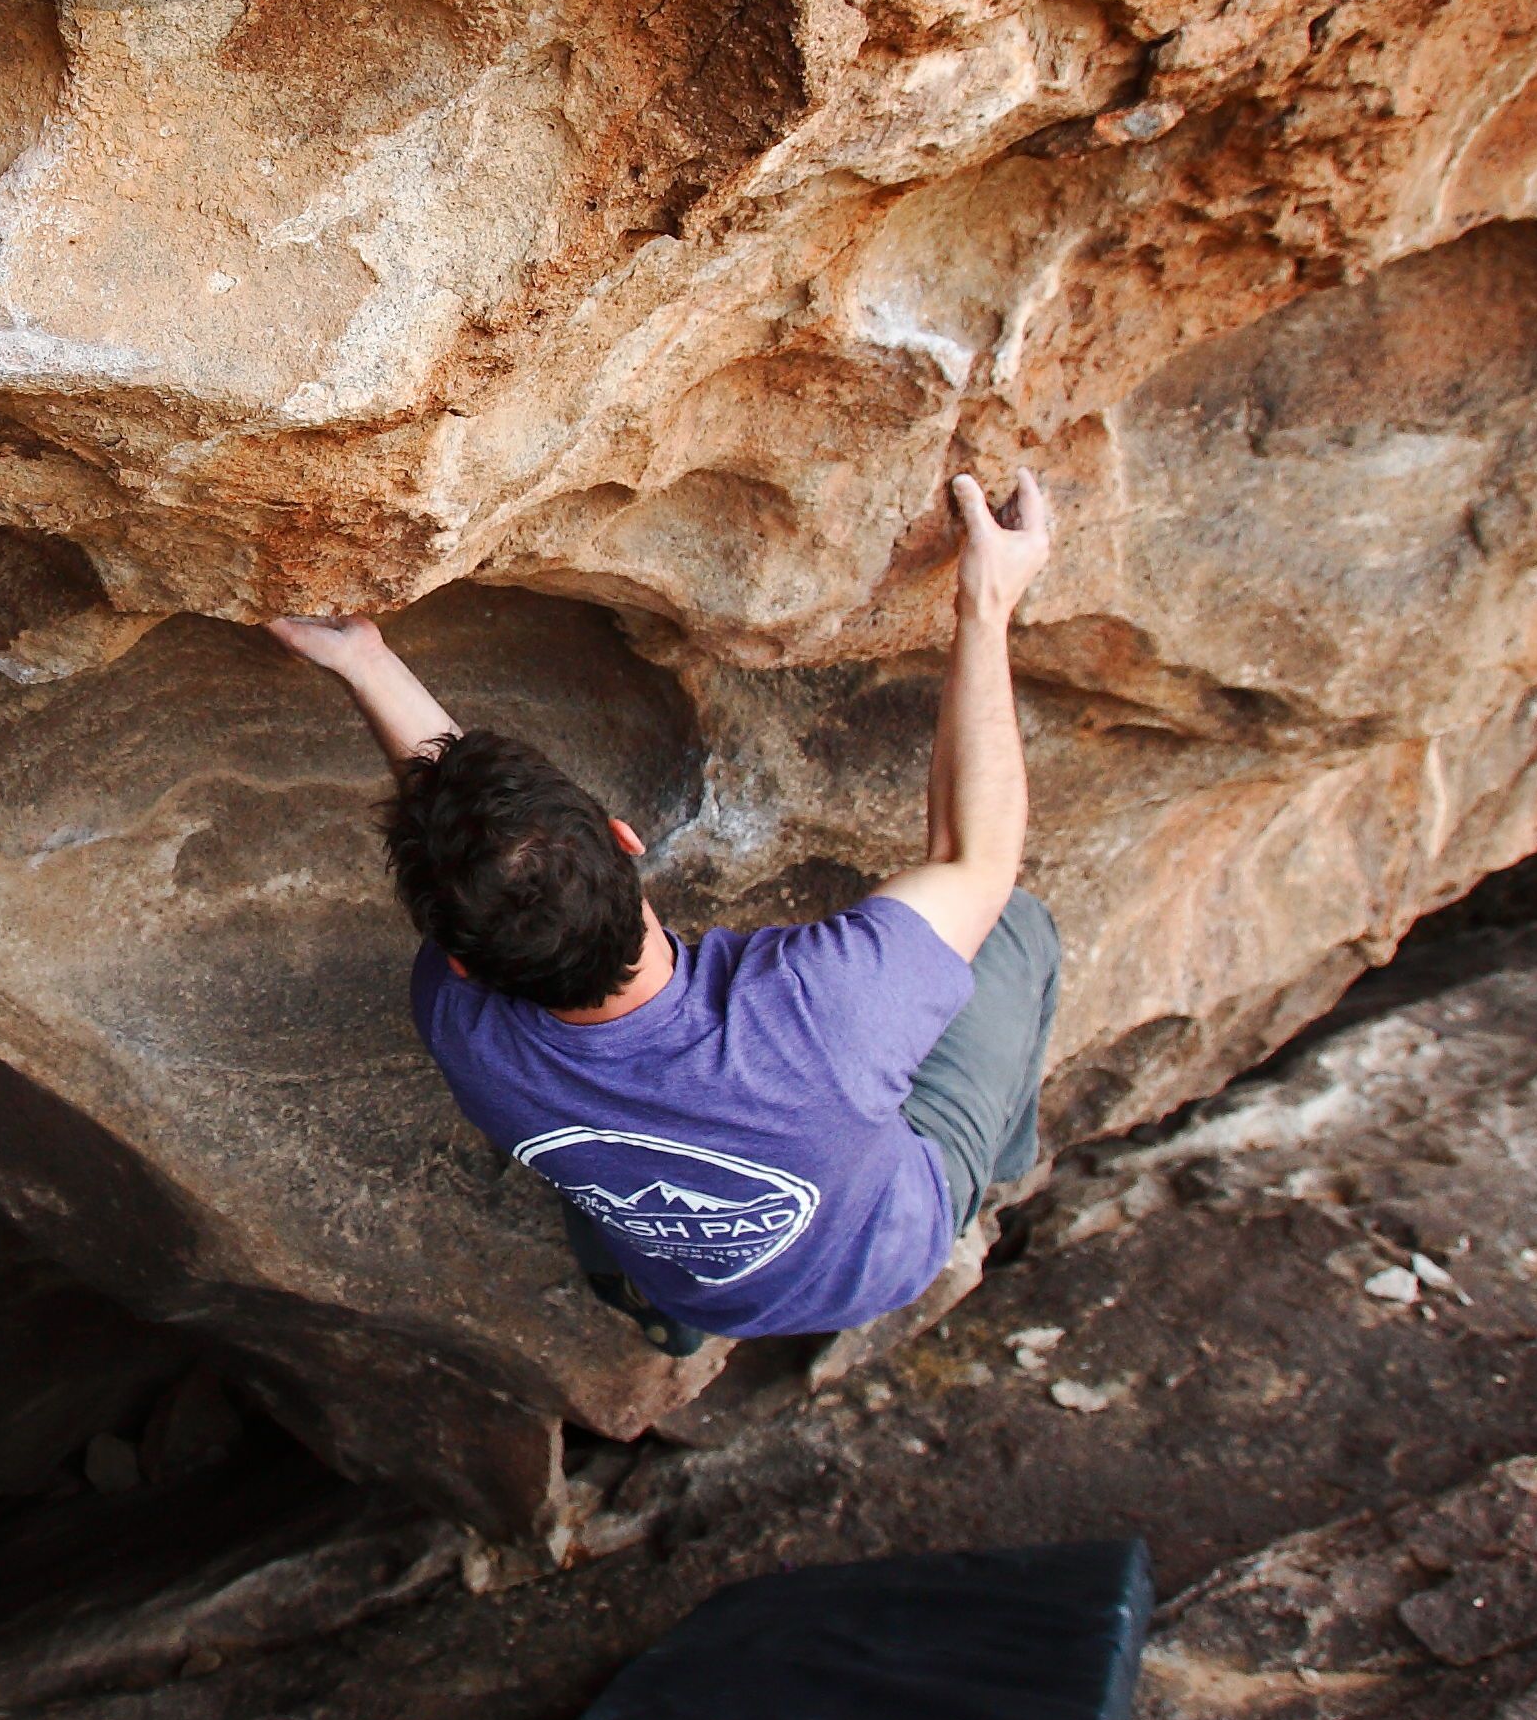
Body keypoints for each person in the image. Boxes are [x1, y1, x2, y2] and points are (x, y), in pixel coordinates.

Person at [268, 470, 1059, 1352]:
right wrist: (986, 605)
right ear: (626, 837)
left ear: (462, 962)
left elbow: (479, 865)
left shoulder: (462, 1028)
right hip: (885, 1254)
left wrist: (367, 663)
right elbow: (975, 858)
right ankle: (994, 1175)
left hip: (688, 1281)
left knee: (621, 1197)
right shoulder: (821, 1015)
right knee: (1014, 922)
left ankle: (671, 1314)